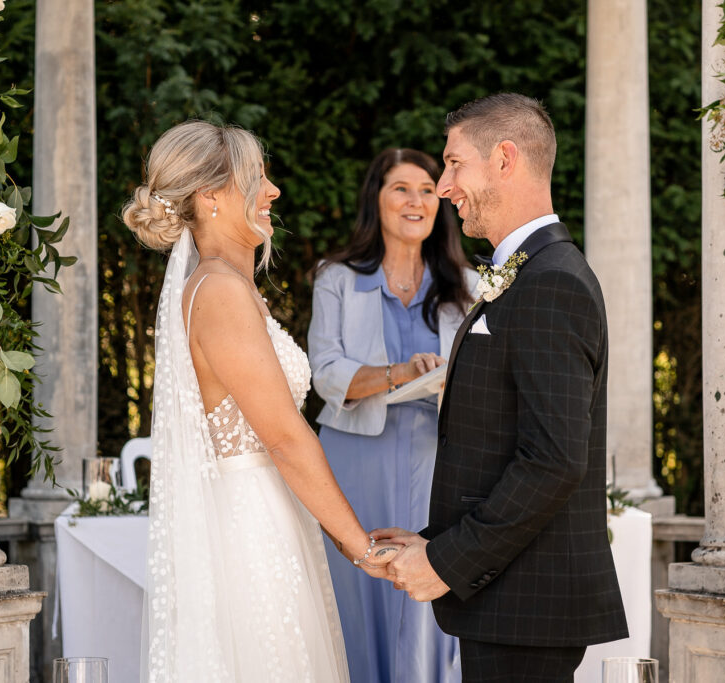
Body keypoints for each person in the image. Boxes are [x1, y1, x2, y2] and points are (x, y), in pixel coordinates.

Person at [123, 120, 400, 682]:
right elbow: (284, 437)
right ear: (211, 196)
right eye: (258, 178)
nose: (272, 191)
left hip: (266, 510)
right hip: (249, 525)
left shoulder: (227, 285)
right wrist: (360, 546)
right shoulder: (220, 292)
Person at [374, 93, 628, 682]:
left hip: (526, 605)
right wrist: (432, 540)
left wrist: (447, 561)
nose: (443, 186)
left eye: (455, 163)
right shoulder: (531, 273)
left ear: (505, 158)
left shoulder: (552, 282)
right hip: (509, 600)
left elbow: (553, 461)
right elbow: (499, 442)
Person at [308, 148, 477, 683]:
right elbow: (327, 375)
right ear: (375, 201)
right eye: (401, 188)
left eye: (428, 189)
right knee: (357, 596)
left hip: (439, 464)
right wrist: (401, 372)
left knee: (427, 600)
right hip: (354, 461)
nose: (416, 200)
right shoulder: (336, 277)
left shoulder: (467, 287)